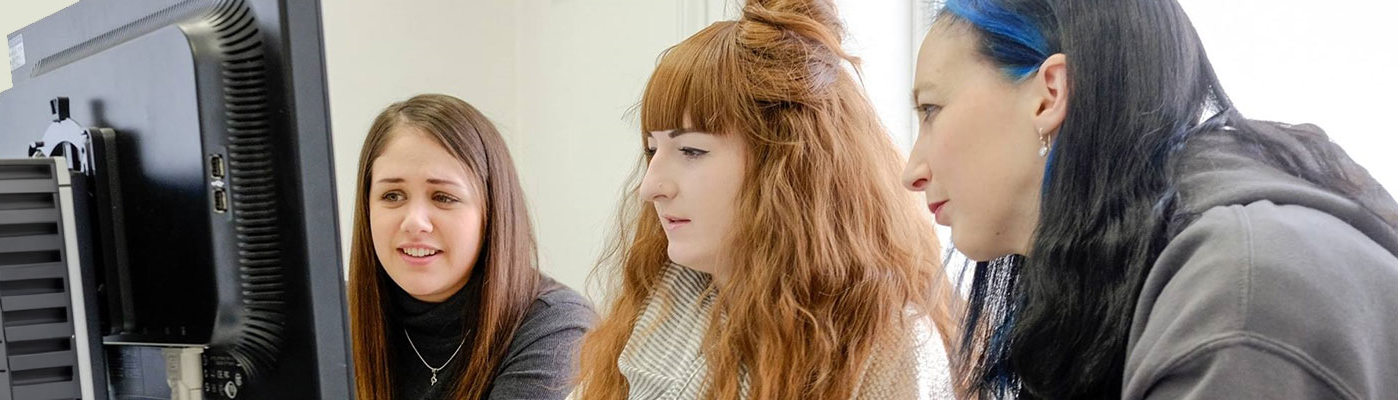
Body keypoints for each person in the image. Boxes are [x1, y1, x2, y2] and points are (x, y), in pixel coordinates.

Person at [904, 0, 1398, 398]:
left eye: (932, 109)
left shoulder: (1239, 296)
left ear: (1049, 94)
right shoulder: (1141, 273)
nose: (912, 172)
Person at [575, 0, 958, 398]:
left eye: (691, 151)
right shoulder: (667, 300)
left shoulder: (886, 344)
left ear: (785, 166)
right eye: (652, 151)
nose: (651, 187)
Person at [346, 93, 596, 400]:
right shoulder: (334, 313)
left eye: (443, 197)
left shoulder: (554, 324)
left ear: (492, 212)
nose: (414, 222)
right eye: (392, 196)